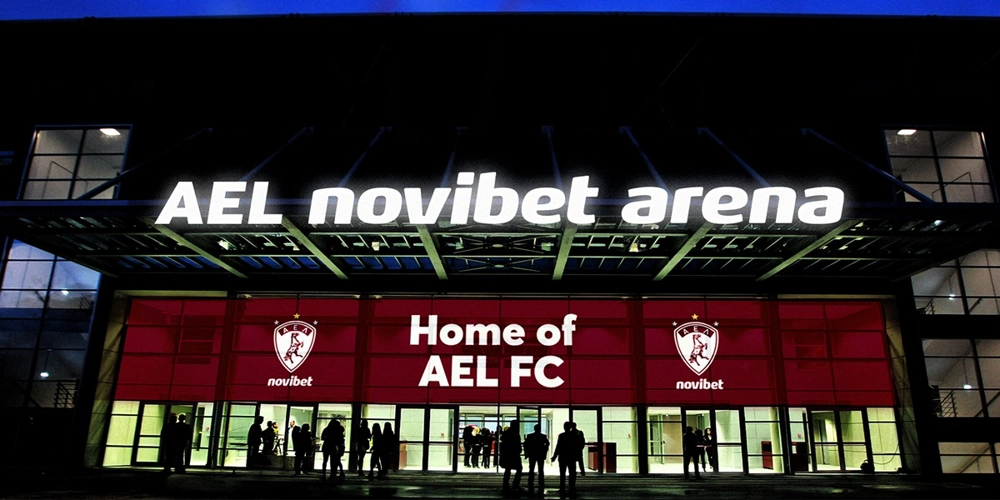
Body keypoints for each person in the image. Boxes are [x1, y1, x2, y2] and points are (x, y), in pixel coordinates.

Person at [551, 421, 578, 496]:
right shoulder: (574, 435)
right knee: (572, 473)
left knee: (562, 473)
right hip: (571, 457)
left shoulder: (562, 436)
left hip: (563, 456)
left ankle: (562, 487)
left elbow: (558, 447)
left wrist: (554, 456)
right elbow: (576, 447)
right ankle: (572, 487)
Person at [523, 423, 550, 495]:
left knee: (531, 469)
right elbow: (547, 444)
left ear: (534, 429)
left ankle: (530, 481)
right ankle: (541, 482)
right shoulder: (543, 436)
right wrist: (544, 451)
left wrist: (527, 453)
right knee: (541, 469)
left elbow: (525, 445)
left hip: (532, 454)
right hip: (540, 454)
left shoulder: (530, 436)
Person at [500, 419, 523, 495]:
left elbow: (503, 443)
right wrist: (519, 450)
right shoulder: (516, 434)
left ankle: (505, 485)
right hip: (514, 454)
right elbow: (517, 444)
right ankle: (515, 484)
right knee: (519, 469)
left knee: (508, 470)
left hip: (507, 454)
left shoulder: (506, 433)